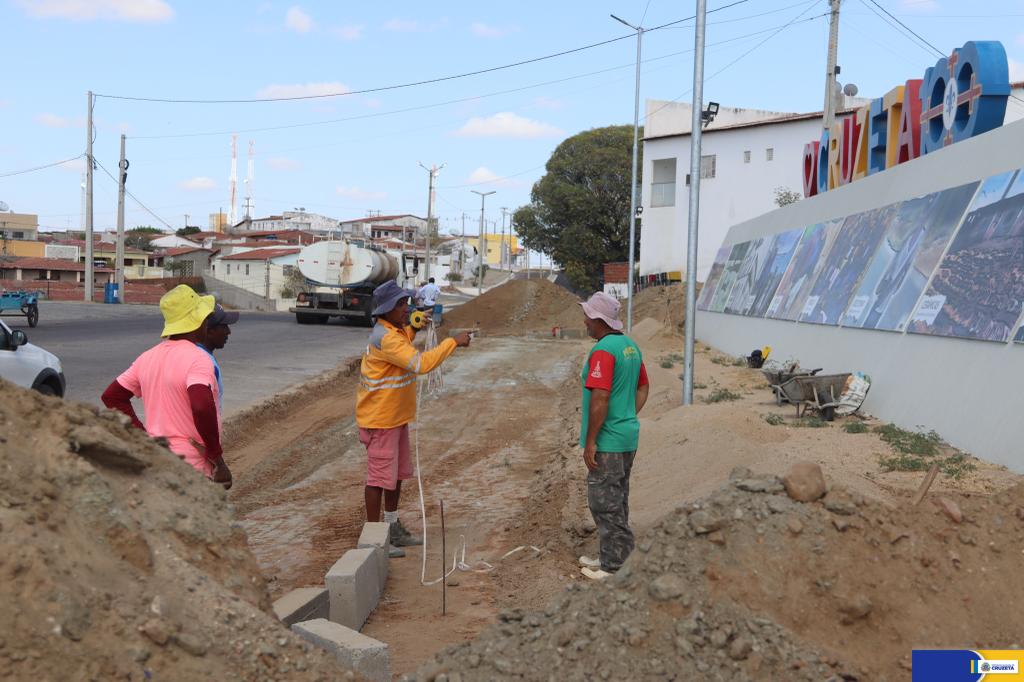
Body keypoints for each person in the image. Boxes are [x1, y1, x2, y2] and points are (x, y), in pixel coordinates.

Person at [357, 280, 471, 556]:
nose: (407, 308)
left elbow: (402, 342)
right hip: (380, 420)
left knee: (395, 476)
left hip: (394, 418)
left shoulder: (392, 332)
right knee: (378, 479)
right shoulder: (386, 338)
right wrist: (452, 343)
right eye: (401, 305)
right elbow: (420, 364)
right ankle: (374, 541)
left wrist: (413, 327)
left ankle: (392, 527)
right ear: (387, 310)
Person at [101, 284, 232, 490]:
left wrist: (144, 438)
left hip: (158, 463)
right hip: (192, 469)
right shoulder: (199, 359)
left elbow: (112, 396)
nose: (207, 323)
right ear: (197, 322)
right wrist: (217, 458)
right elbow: (201, 406)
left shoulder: (147, 357)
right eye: (205, 318)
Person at [577, 291, 649, 580]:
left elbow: (600, 398)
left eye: (587, 317)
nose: (584, 322)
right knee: (617, 499)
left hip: (609, 441)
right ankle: (613, 555)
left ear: (598, 319)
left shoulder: (604, 351)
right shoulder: (630, 347)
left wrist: (592, 440)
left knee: (603, 502)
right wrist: (627, 415)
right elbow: (643, 387)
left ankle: (614, 567)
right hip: (627, 436)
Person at [197, 303, 240, 410]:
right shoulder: (203, 363)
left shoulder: (202, 355)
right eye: (224, 326)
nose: (228, 332)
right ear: (210, 331)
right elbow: (201, 408)